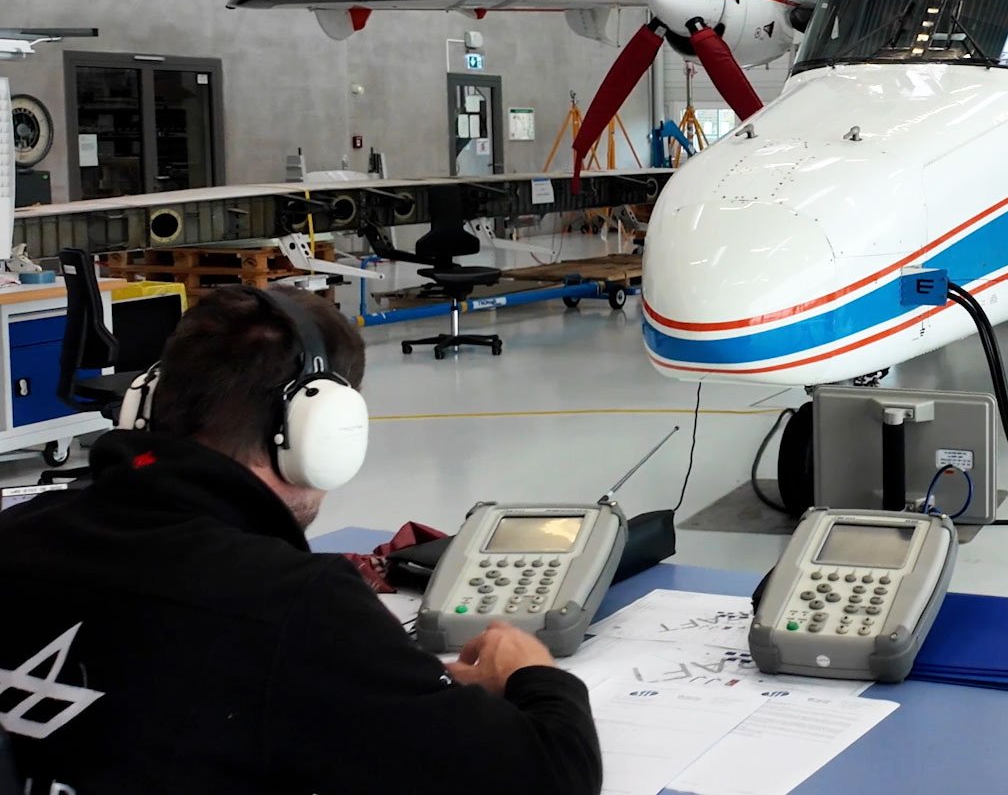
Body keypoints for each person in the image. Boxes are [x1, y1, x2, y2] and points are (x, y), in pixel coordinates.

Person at [0, 286, 600, 794]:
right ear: (322, 433)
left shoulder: (20, 533)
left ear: (146, 404)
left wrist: (411, 689)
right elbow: (549, 774)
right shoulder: (290, 605)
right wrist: (535, 676)